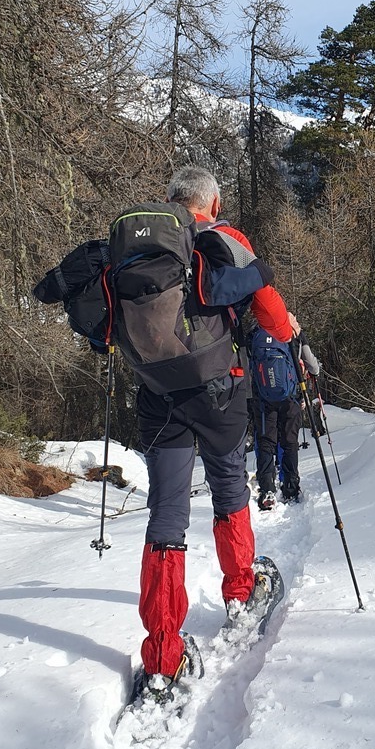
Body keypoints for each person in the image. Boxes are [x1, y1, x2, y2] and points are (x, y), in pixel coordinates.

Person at [133, 166, 294, 704]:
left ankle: (163, 656)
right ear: (214, 203)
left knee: (166, 515)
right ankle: (241, 593)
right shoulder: (226, 240)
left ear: (170, 202)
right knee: (228, 487)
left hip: (158, 395)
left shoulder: (143, 245)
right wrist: (284, 330)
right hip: (219, 393)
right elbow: (272, 318)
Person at [250, 327, 322, 510]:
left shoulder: (254, 333)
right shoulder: (293, 331)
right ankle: (290, 487)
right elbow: (313, 367)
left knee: (266, 442)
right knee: (289, 442)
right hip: (291, 398)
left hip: (263, 398)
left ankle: (267, 488)